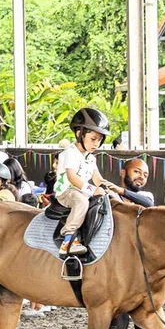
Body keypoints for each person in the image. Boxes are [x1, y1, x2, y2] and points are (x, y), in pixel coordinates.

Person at [72, 157, 165, 329]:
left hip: (145, 283)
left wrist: (120, 192)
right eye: (137, 171)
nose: (142, 176)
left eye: (145, 173)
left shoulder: (143, 198)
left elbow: (148, 203)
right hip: (118, 282)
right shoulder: (108, 202)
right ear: (123, 172)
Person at [53, 108, 109, 256]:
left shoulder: (91, 157)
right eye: (93, 139)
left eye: (99, 140)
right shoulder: (70, 153)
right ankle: (68, 239)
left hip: (81, 190)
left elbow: (96, 177)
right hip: (67, 191)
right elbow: (72, 178)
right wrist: (92, 190)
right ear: (79, 134)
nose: (96, 144)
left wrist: (105, 187)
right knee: (82, 202)